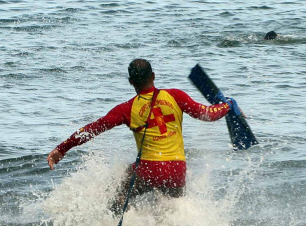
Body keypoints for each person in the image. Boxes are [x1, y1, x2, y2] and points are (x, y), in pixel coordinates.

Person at [47, 59, 243, 211]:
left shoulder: (127, 108)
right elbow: (207, 115)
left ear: (131, 82)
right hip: (177, 169)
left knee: (119, 193)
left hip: (148, 169)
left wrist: (61, 149)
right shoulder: (175, 96)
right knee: (174, 208)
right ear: (154, 76)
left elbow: (92, 129)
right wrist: (227, 105)